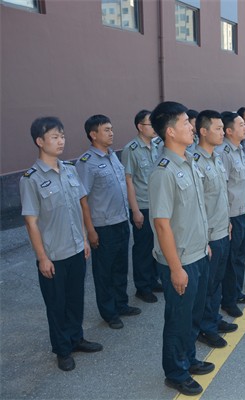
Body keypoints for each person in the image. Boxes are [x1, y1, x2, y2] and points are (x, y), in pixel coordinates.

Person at [20, 117, 103, 372]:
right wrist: (42, 257)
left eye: (63, 136)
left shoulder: (69, 169)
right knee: (56, 305)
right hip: (53, 255)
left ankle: (76, 338)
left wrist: (84, 239)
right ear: (40, 141)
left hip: (76, 249)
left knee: (75, 299)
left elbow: (78, 206)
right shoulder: (31, 179)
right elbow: (31, 222)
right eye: (55, 137)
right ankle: (62, 349)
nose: (61, 141)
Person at [148, 101, 215, 396]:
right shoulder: (164, 172)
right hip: (180, 260)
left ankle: (189, 358)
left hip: (198, 253)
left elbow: (195, 210)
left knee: (192, 315)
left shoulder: (188, 161)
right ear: (171, 132)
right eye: (186, 122)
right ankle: (175, 372)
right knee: (178, 319)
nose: (192, 126)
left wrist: (205, 244)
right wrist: (175, 268)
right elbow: (162, 225)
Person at [76, 115, 140, 330]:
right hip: (103, 226)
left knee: (121, 267)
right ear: (93, 134)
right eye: (106, 130)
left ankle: (121, 304)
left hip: (121, 220)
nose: (111, 133)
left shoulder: (113, 156)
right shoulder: (86, 162)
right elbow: (82, 199)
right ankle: (109, 312)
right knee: (104, 272)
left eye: (111, 129)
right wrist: (90, 231)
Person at [192, 110, 238, 349]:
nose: (222, 133)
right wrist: (204, 239)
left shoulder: (216, 158)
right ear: (203, 131)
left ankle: (213, 318)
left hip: (222, 229)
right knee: (207, 285)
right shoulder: (195, 162)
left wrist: (227, 220)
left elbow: (220, 195)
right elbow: (195, 205)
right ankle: (205, 328)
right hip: (208, 235)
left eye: (222, 128)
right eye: (218, 129)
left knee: (217, 281)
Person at [121, 110, 163, 304]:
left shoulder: (156, 146)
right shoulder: (131, 149)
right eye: (150, 124)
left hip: (156, 205)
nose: (154, 128)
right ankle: (142, 287)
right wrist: (135, 210)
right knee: (143, 248)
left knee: (156, 245)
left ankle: (153, 280)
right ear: (140, 126)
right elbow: (128, 181)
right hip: (142, 205)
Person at [216, 111, 245, 318]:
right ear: (229, 130)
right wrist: (227, 219)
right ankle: (228, 300)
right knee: (231, 261)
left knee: (239, 256)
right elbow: (222, 188)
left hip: (243, 211)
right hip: (231, 214)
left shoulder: (239, 150)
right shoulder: (223, 153)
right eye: (241, 125)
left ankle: (236, 292)